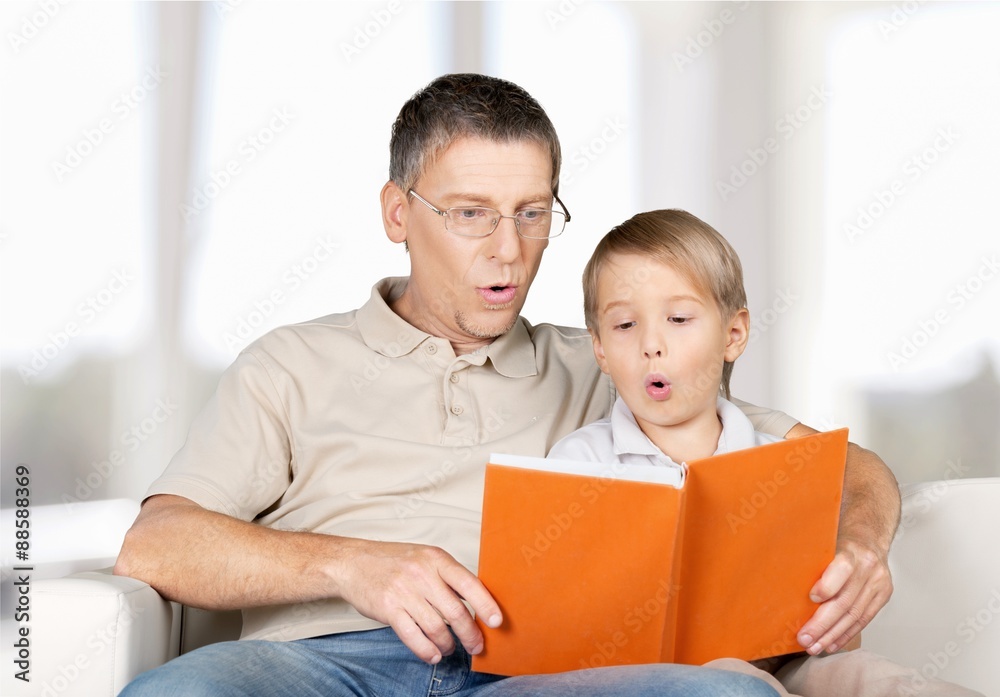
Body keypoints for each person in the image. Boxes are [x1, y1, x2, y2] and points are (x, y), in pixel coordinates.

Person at [113, 73, 898, 696]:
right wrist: (350, 563)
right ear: (397, 213)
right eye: (470, 213)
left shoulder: (608, 360)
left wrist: (860, 543)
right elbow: (156, 543)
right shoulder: (289, 363)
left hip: (528, 677)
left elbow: (843, 466)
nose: (509, 250)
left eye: (531, 213)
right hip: (321, 667)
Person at [548, 209, 983, 697]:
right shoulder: (577, 463)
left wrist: (831, 612)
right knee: (740, 685)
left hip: (792, 657)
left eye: (678, 319)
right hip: (654, 678)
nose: (652, 344)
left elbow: (837, 628)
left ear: (733, 335)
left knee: (884, 681)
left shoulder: (782, 464)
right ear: (601, 350)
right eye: (625, 325)